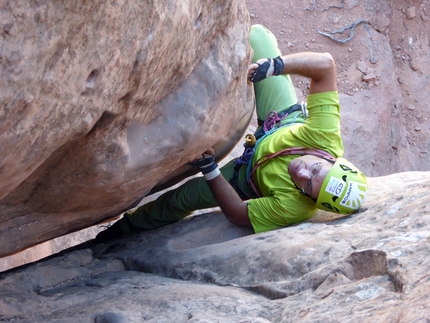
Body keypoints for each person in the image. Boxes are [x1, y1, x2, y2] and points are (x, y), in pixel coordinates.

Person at [95, 24, 368, 243]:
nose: (302, 174)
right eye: (316, 170)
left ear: (310, 200)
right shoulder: (325, 137)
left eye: (308, 186)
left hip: (245, 176)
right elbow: (326, 66)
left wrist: (210, 169)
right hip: (281, 120)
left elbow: (238, 214)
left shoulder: (294, 208)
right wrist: (275, 66)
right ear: (330, 159)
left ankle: (119, 232)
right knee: (257, 37)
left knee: (183, 199)